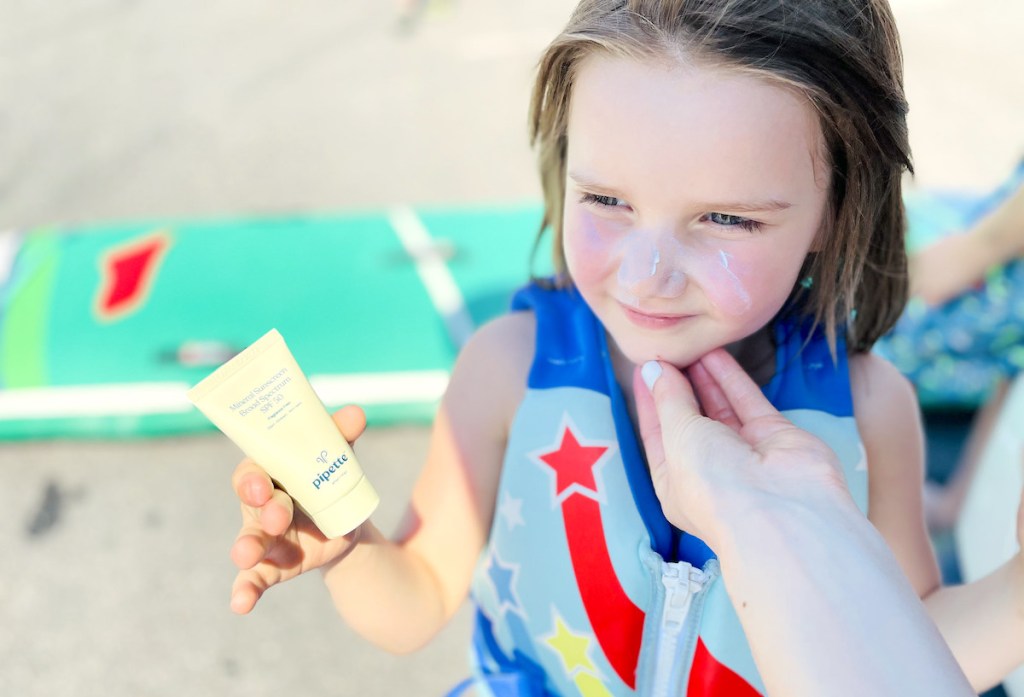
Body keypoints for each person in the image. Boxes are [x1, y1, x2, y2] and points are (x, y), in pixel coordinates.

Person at [227, 1, 1024, 694]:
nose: (647, 277)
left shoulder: (869, 412)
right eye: (606, 199)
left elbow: (911, 652)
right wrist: (348, 549)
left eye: (727, 219)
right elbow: (417, 599)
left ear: (835, 210)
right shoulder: (508, 371)